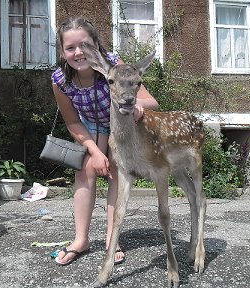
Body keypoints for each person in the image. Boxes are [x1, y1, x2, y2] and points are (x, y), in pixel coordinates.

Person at [51, 17, 159, 266]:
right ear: (62, 51)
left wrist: (137, 106)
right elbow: (73, 122)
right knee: (85, 169)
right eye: (70, 48)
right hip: (90, 128)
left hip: (121, 125)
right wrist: (94, 152)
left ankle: (113, 237)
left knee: (116, 171)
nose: (78, 52)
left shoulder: (114, 65)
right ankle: (81, 239)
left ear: (97, 45)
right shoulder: (60, 80)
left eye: (85, 45)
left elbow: (150, 101)